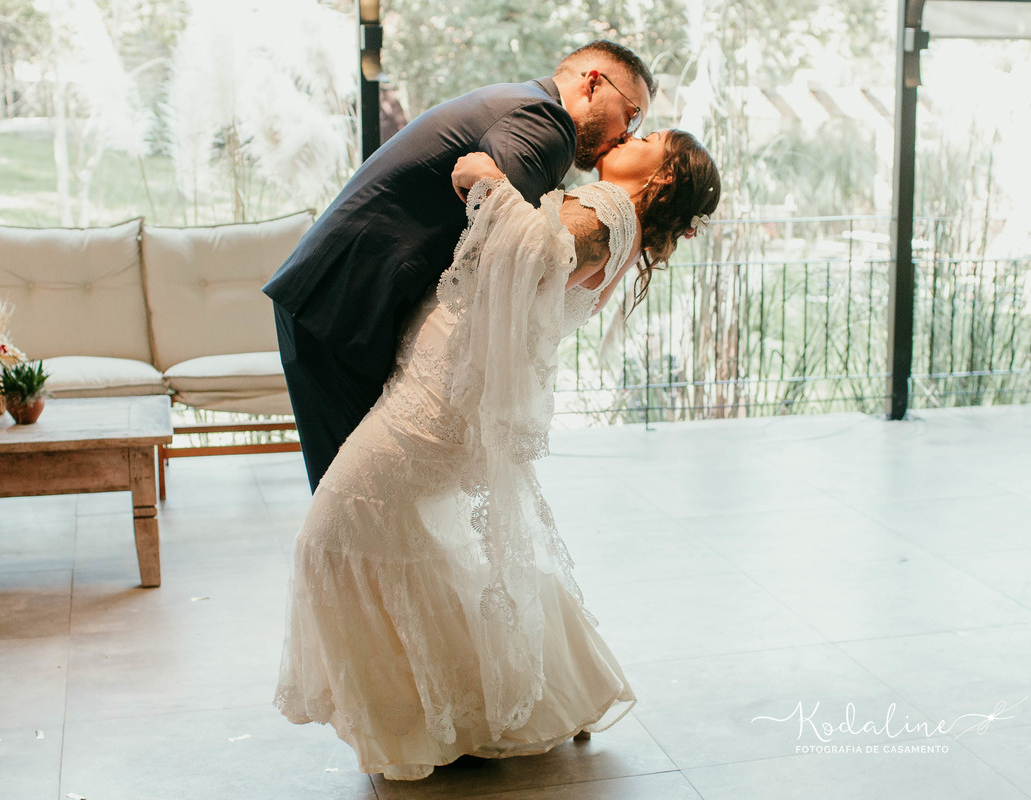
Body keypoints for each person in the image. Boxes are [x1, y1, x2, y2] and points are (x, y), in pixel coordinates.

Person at [275, 129, 722, 780]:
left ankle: (413, 727)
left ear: (661, 178)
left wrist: (488, 179)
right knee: (420, 547)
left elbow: (540, 252)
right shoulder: (615, 218)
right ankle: (510, 703)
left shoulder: (612, 207)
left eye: (650, 135)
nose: (634, 133)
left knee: (331, 537)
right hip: (451, 394)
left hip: (439, 403)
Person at [263, 40, 656, 492]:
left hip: (334, 297)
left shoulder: (522, 102)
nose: (628, 134)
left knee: (358, 504)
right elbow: (503, 256)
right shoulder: (548, 123)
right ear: (592, 83)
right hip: (345, 308)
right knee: (353, 503)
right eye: (632, 115)